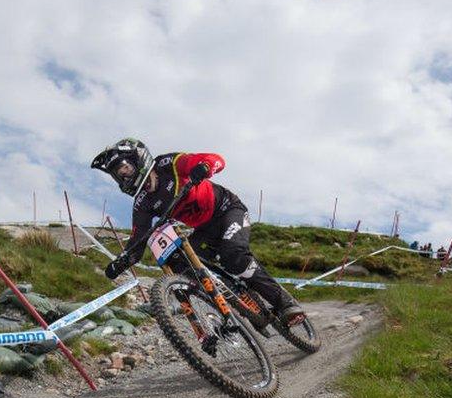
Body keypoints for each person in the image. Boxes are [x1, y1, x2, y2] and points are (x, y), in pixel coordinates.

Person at [91, 138, 305, 325]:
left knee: (234, 255)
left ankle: (285, 304)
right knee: (181, 263)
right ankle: (234, 298)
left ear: (138, 158)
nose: (123, 177)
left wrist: (205, 167)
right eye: (117, 175)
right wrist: (120, 263)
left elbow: (216, 159)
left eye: (124, 168)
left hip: (227, 210)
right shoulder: (142, 202)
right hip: (204, 229)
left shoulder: (169, 164)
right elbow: (138, 242)